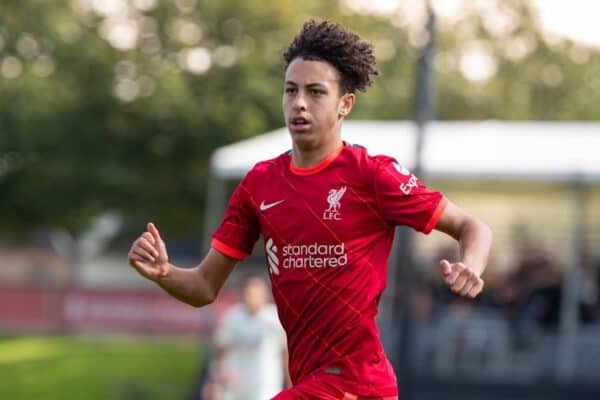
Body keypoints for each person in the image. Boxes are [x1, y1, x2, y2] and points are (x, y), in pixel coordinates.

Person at [128, 19, 492, 400]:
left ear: (344, 105)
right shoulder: (259, 185)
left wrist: (471, 266)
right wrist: (163, 273)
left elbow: (473, 226)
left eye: (315, 92)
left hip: (357, 386)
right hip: (310, 384)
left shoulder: (372, 175)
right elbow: (204, 286)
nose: (299, 103)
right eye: (291, 91)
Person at [207, 276, 288, 400]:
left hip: (266, 383)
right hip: (236, 382)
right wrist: (219, 374)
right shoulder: (233, 316)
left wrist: (289, 381)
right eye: (249, 293)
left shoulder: (275, 318)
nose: (252, 297)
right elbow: (221, 348)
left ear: (265, 295)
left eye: (256, 294)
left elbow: (285, 352)